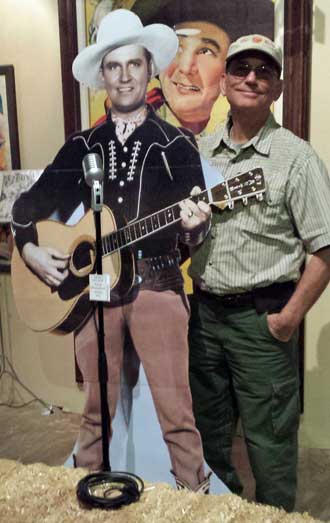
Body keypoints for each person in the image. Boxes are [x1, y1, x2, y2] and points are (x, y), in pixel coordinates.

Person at [11, 9, 212, 492]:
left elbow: (195, 231)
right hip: (92, 297)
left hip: (158, 287)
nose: (124, 76)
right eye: (114, 66)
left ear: (149, 69)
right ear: (102, 75)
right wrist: (32, 250)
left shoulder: (176, 145)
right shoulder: (82, 145)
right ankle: (85, 498)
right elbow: (26, 207)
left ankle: (197, 504)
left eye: (134, 65)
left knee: (177, 415)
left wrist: (195, 226)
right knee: (94, 414)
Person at [188, 34, 330, 511]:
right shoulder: (200, 151)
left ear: (279, 88)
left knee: (269, 445)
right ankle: (218, 513)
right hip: (204, 318)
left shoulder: (297, 157)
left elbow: (325, 248)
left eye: (263, 71)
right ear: (224, 82)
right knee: (209, 433)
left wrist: (288, 318)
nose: (251, 77)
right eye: (241, 69)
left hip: (263, 323)